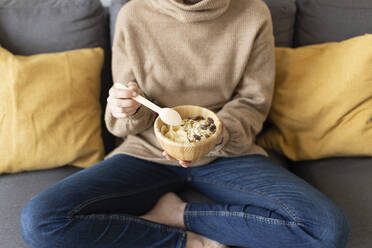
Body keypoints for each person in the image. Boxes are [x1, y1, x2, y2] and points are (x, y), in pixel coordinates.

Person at [21, 0, 350, 247]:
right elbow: (126, 120)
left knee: (328, 230)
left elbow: (253, 102)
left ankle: (177, 214)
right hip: (148, 152)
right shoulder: (134, 15)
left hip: (224, 150)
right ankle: (185, 241)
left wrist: (216, 136)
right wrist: (127, 108)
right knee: (39, 221)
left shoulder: (252, 13)